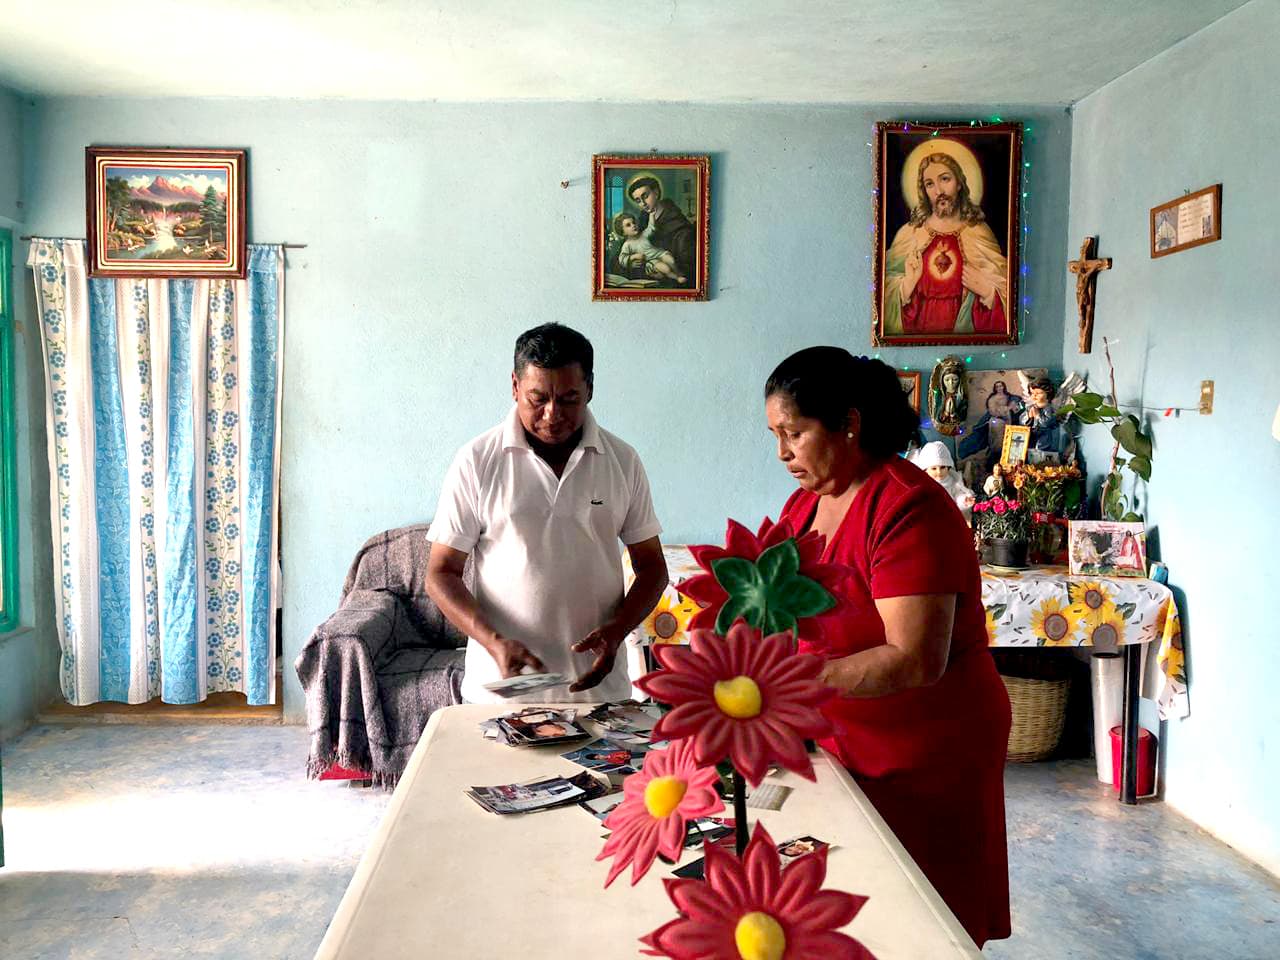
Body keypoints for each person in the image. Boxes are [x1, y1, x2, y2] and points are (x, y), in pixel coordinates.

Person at [764, 347, 1011, 947]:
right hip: (843, 738)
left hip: (926, 745)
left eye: (794, 433)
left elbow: (914, 658)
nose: (782, 453)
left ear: (849, 423)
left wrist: (787, 687)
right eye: (775, 435)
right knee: (847, 913)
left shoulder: (908, 506)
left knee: (921, 921)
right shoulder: (805, 505)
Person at [425, 323, 668, 704]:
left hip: (599, 688)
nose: (553, 415)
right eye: (537, 399)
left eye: (569, 399)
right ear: (514, 387)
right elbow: (440, 573)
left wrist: (618, 630)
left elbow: (653, 567)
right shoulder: (476, 460)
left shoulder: (622, 460)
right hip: (506, 690)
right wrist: (494, 641)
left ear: (590, 388)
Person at [882, 151, 1008, 335]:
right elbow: (883, 288)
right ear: (923, 191)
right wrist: (907, 284)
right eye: (929, 184)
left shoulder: (978, 232)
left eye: (945, 179)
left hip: (965, 336)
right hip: (918, 334)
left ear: (959, 183)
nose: (939, 191)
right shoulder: (910, 233)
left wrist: (988, 291)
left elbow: (1006, 287)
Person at [627, 175, 696, 283]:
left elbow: (690, 269)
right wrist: (631, 263)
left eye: (645, 196)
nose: (643, 204)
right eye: (638, 200)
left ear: (656, 193)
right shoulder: (641, 221)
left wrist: (664, 274)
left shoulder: (679, 227)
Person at [612, 212, 687, 285]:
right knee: (665, 269)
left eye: (634, 222)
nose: (633, 225)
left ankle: (679, 273)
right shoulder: (627, 245)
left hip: (660, 253)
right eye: (628, 225)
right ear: (623, 232)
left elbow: (651, 227)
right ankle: (677, 278)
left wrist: (651, 216)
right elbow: (622, 258)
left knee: (671, 260)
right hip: (651, 261)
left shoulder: (644, 234)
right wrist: (633, 257)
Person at [914, 440, 977, 523]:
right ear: (925, 470)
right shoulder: (923, 484)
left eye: (943, 467)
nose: (939, 472)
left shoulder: (952, 481)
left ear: (948, 467)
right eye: (934, 468)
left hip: (949, 515)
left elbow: (957, 495)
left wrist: (963, 501)